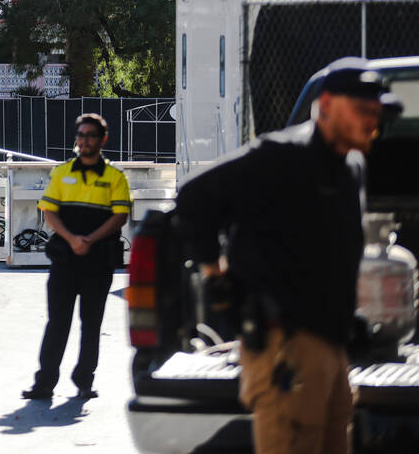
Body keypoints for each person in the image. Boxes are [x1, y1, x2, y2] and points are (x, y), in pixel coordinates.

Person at [175, 59, 399, 453]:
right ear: (326, 104)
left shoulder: (353, 164)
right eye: (362, 110)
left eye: (376, 113)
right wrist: (215, 275)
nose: (371, 121)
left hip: (331, 349)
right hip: (285, 348)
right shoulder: (280, 156)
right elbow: (195, 198)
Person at [23, 113, 129, 401]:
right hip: (65, 261)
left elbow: (120, 216)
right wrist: (72, 240)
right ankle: (44, 384)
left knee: (91, 324)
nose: (84, 141)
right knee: (57, 322)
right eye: (80, 135)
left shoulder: (115, 177)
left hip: (98, 262)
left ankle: (84, 382)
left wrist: (90, 241)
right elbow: (49, 211)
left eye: (90, 135)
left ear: (102, 140)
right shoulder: (61, 173)